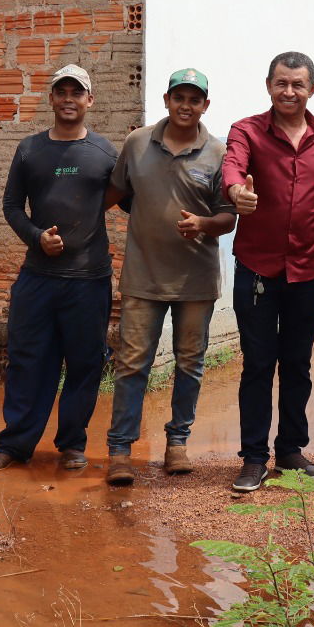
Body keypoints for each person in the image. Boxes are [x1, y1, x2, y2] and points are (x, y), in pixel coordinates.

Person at [102, 67, 236, 486]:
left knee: (190, 364)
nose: (186, 105)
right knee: (131, 364)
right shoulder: (138, 142)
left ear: (205, 106)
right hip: (143, 276)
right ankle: (120, 451)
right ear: (166, 99)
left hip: (195, 280)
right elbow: (118, 194)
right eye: (179, 97)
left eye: (195, 99)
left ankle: (177, 443)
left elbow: (228, 217)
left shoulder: (217, 152)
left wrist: (203, 224)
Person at [220, 52, 314, 492]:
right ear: (268, 85)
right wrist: (237, 191)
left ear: (313, 88)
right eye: (281, 83)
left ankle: (291, 451)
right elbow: (232, 167)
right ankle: (254, 457)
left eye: (297, 84)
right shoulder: (247, 131)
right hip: (257, 270)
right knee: (258, 364)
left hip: (309, 271)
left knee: (298, 363)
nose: (288, 91)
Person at [0, 64, 117, 472]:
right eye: (62, 92)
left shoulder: (105, 153)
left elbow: (128, 197)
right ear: (52, 99)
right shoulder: (30, 150)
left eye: (78, 92)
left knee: (84, 363)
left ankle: (72, 444)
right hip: (37, 278)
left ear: (89, 100)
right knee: (27, 360)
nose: (69, 99)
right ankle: (15, 445)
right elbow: (10, 206)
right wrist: (36, 236)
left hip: (89, 280)